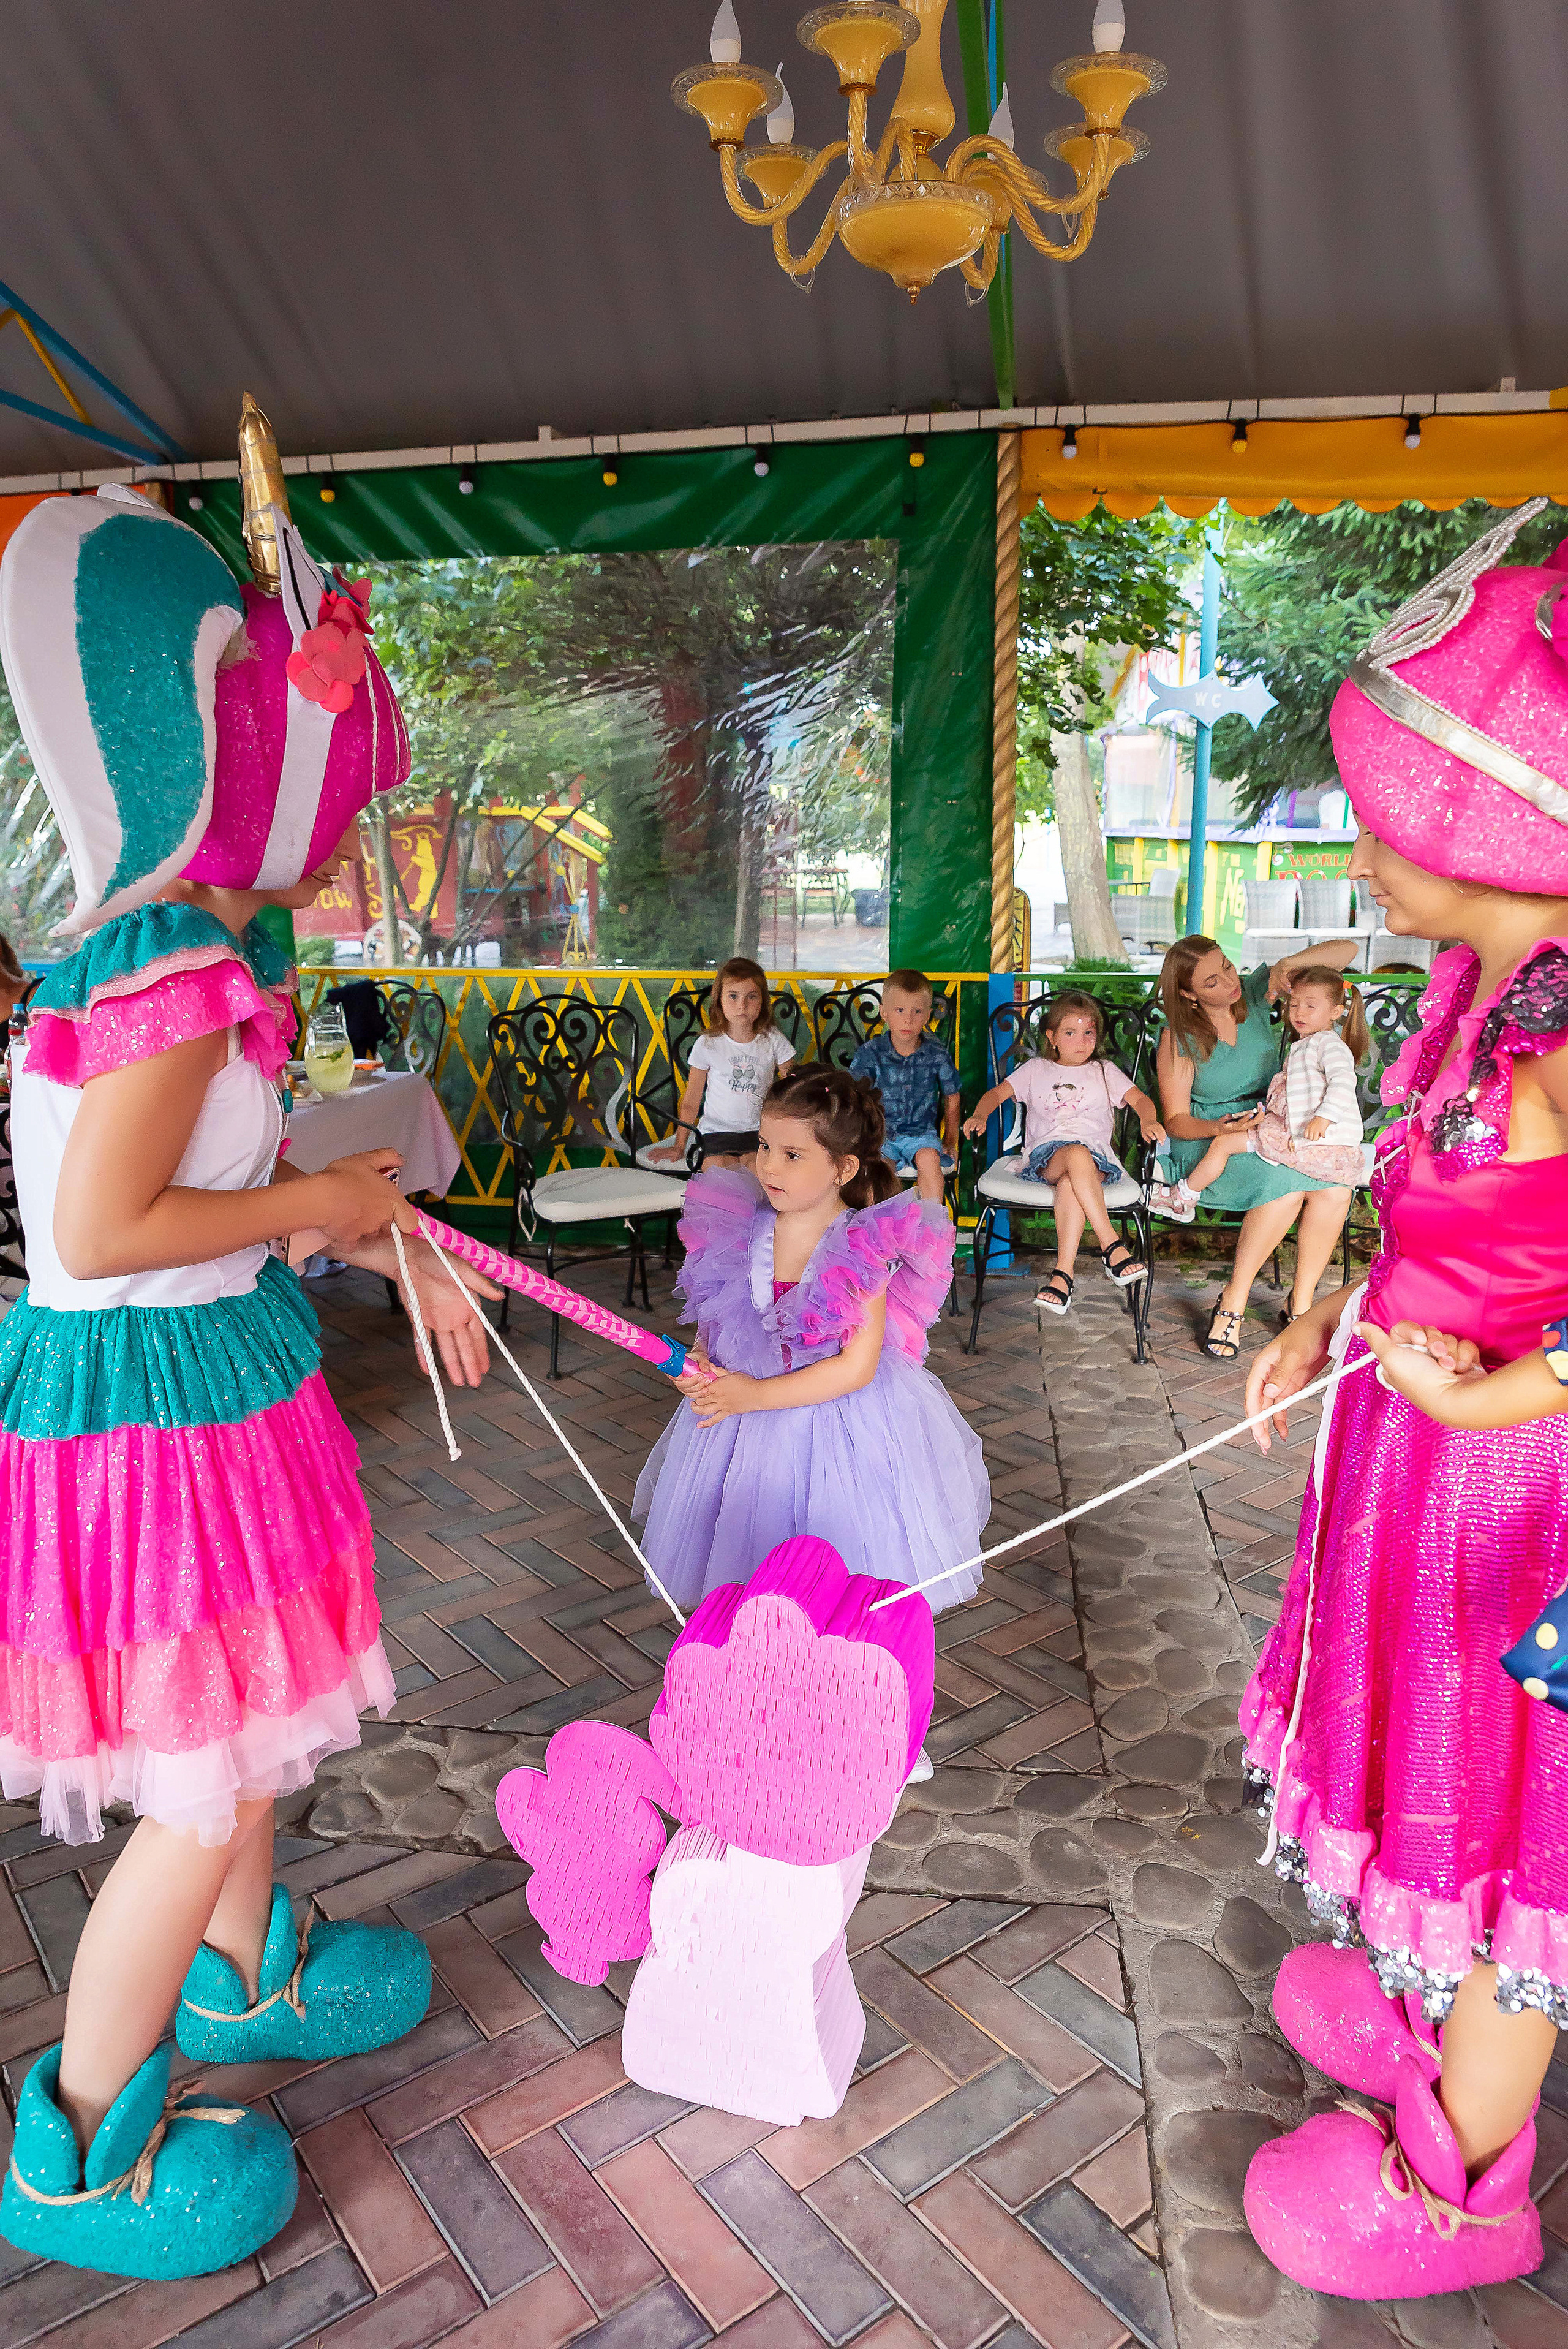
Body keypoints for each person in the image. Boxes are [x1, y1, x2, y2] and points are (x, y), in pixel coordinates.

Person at [0, 481, 499, 2283]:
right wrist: (333, 1196)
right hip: (154, 1418)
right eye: (336, 791)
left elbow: (204, 1216)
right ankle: (76, 2151)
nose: (349, 833)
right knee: (196, 1779)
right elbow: (111, 1220)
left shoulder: (184, 956)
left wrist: (366, 1237)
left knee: (254, 1714)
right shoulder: (175, 965)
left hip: (199, 1372)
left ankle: (241, 1975)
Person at [1235, 504, 1568, 2301]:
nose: (1356, 858)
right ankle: (1418, 1988)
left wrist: (1516, 1390)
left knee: (1531, 1833)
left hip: (1531, 1508)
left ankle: (1464, 2190)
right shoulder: (1471, 994)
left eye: (1376, 824)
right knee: (1435, 1759)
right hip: (1419, 1459)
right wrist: (1332, 1317)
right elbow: (1429, 1220)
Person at [633, 1064, 989, 1617]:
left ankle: (821, 1671)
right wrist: (701, 1364)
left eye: (792, 1155)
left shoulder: (861, 1246)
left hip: (837, 1427)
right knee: (743, 1567)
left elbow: (856, 1369)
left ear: (843, 1168)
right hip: (739, 1431)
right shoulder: (737, 1227)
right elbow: (715, 1325)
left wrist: (753, 1395)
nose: (769, 1165)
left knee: (828, 1574)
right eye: (764, 1145)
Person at [1155, 931, 1360, 1356]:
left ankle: (1300, 1306)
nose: (1229, 982)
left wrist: (1288, 964)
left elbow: (1347, 952)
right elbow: (1176, 1121)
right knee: (1283, 1185)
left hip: (1277, 1127)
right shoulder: (1179, 1037)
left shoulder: (1252, 992)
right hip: (1209, 1140)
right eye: (1211, 981)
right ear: (1187, 993)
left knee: (1337, 1189)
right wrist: (1220, 1129)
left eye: (1227, 966)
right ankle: (1233, 1301)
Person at [961, 989, 1164, 1315]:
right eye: (1070, 1033)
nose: (1081, 1041)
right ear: (1052, 1037)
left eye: (1088, 1033)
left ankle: (1063, 1275)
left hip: (1096, 1162)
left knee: (1074, 1179)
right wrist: (980, 1114)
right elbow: (996, 1094)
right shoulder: (1035, 1070)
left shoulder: (1104, 1070)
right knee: (1073, 1155)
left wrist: (1149, 1120)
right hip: (1048, 1158)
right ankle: (1111, 1245)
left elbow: (1141, 1099)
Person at [1148, 966, 1368, 1231]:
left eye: (1310, 1007)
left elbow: (1344, 1083)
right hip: (1284, 1127)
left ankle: (1182, 1193)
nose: (1299, 1013)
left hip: (1304, 1134)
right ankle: (1183, 1192)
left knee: (1228, 1148)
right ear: (1189, 994)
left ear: (1336, 1012)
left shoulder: (1327, 1045)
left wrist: (1324, 1117)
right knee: (1225, 1145)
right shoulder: (1307, 1044)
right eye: (1294, 1005)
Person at [648, 956, 794, 1170]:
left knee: (759, 1178)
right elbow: (692, 1100)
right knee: (721, 1178)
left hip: (761, 1132)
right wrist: (679, 1145)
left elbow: (794, 1091)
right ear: (719, 1000)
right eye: (733, 996)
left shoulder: (773, 1040)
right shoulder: (708, 1044)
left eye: (752, 997)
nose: (742, 1005)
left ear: (763, 1000)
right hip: (716, 1133)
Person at [849, 969, 960, 1202]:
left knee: (930, 1158)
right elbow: (854, 1095)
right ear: (884, 1012)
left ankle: (932, 1228)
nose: (908, 1019)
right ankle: (884, 1227)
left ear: (928, 1015)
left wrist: (950, 1138)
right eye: (900, 1010)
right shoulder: (871, 1054)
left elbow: (952, 1094)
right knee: (879, 1168)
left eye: (917, 1011)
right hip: (881, 1134)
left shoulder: (936, 1053)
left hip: (921, 1134)